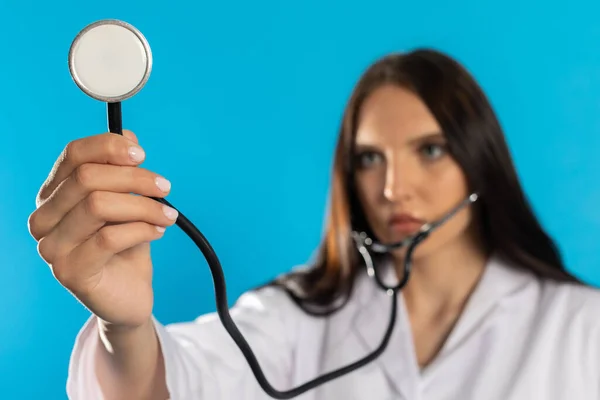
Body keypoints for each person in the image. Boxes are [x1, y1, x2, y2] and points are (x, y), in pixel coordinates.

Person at [29, 48, 600, 400]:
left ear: (481, 164)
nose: (394, 188)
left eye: (430, 150)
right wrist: (124, 328)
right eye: (369, 158)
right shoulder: (299, 315)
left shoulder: (582, 328)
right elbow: (177, 384)